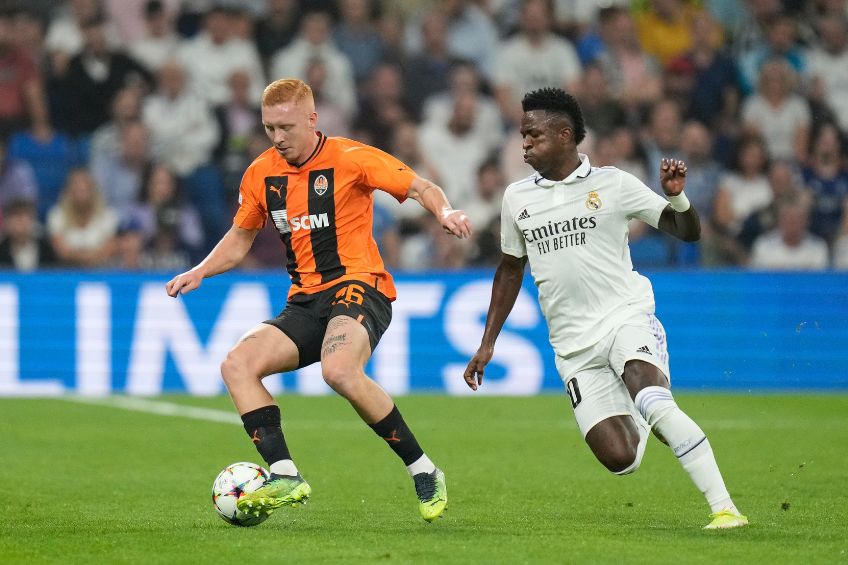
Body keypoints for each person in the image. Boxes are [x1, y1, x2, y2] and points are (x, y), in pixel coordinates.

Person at [165, 78, 471, 522]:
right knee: (236, 365)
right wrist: (199, 271)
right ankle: (285, 473)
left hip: (360, 287)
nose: (277, 138)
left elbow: (421, 187)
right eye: (269, 128)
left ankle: (423, 469)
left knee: (339, 370)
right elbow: (240, 236)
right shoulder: (261, 173)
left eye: (286, 127)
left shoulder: (351, 158)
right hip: (306, 300)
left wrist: (445, 211)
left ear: (312, 118)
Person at [463, 87, 748, 530]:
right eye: (522, 135)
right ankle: (643, 406)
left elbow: (686, 231)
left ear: (564, 135)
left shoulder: (612, 184)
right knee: (622, 459)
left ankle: (724, 508)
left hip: (624, 317)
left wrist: (677, 198)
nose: (524, 144)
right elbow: (509, 270)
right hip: (574, 347)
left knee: (654, 399)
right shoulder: (516, 199)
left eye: (532, 135)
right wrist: (487, 343)